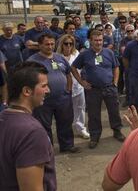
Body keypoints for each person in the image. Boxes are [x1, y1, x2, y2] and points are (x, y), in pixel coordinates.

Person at [0, 62, 57, 190]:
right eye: (44, 86)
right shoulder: (32, 133)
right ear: (27, 91)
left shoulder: (3, 117)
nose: (48, 90)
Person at [71, 30, 125, 149]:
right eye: (95, 40)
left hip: (109, 88)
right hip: (93, 90)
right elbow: (73, 67)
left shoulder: (109, 52)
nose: (98, 42)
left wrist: (115, 82)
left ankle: (117, 131)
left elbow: (116, 67)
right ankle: (95, 137)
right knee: (93, 114)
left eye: (100, 40)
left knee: (114, 111)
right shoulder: (85, 54)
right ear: (90, 41)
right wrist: (82, 82)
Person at [27, 33, 80, 153]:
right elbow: (28, 80)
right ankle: (47, 149)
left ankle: (67, 145)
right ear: (39, 45)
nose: (50, 46)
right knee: (44, 125)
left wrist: (68, 90)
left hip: (63, 98)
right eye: (47, 44)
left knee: (65, 123)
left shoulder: (59, 58)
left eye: (52, 44)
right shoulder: (32, 61)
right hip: (43, 100)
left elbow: (68, 74)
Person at [56, 34, 90, 139]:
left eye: (71, 43)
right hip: (64, 89)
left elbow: (83, 69)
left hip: (78, 87)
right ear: (62, 44)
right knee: (65, 112)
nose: (69, 46)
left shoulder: (77, 54)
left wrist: (84, 81)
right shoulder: (56, 57)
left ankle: (81, 129)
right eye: (66, 43)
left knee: (80, 109)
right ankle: (66, 133)